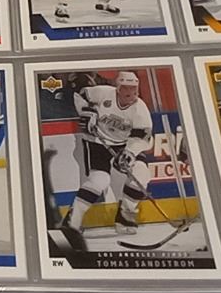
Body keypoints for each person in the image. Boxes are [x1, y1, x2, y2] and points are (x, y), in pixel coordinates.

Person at [57, 72, 152, 251]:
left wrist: (129, 153)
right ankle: (71, 222)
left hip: (124, 145)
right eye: (126, 88)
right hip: (97, 142)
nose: (130, 93)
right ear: (118, 88)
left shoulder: (140, 109)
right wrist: (85, 112)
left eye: (134, 89)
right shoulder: (102, 92)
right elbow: (79, 93)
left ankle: (125, 216)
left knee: (141, 174)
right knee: (99, 181)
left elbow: (142, 137)